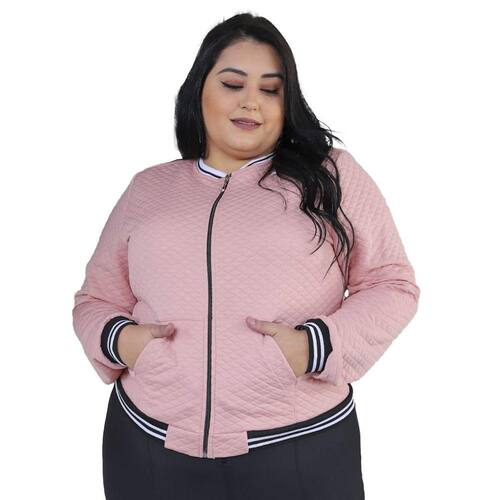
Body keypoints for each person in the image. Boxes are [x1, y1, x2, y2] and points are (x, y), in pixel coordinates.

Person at [72, 12, 420, 500]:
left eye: (270, 89)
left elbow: (391, 284)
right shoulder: (149, 188)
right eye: (233, 84)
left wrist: (313, 347)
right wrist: (122, 342)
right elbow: (95, 298)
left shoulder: (332, 176)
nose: (251, 101)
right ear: (199, 91)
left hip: (299, 446)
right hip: (147, 444)